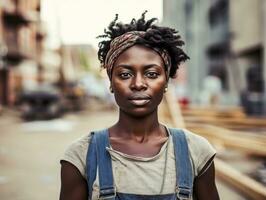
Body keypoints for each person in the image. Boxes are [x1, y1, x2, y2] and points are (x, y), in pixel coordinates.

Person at [60, 11, 220, 200]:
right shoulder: (81, 156)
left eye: (151, 74)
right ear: (111, 82)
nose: (138, 84)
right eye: (125, 74)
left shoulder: (197, 152)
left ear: (166, 82)